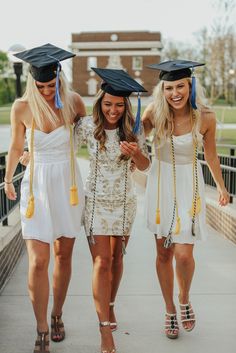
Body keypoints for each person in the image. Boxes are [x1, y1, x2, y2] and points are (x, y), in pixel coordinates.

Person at [4, 43, 86, 353]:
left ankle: (57, 315)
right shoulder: (22, 107)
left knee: (63, 256)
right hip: (36, 187)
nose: (47, 91)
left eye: (51, 85)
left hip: (67, 185)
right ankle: (40, 328)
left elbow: (90, 135)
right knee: (39, 260)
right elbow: (14, 146)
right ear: (32, 82)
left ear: (59, 78)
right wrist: (8, 176)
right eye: (41, 86)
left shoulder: (74, 103)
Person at [142, 60, 230, 339]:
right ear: (162, 89)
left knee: (183, 254)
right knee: (163, 253)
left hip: (189, 185)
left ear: (190, 86)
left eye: (180, 86)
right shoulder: (155, 112)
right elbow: (133, 136)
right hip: (160, 184)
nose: (175, 93)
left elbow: (212, 156)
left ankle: (184, 298)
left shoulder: (205, 117)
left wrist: (221, 187)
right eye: (169, 88)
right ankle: (169, 310)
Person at [75, 68, 150, 353]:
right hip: (95, 202)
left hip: (124, 203)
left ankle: (110, 305)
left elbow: (145, 166)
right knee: (102, 263)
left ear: (126, 105)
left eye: (119, 104)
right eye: (108, 104)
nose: (113, 110)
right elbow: (64, 149)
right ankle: (104, 329)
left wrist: (136, 154)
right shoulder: (85, 126)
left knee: (117, 260)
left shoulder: (135, 128)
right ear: (100, 102)